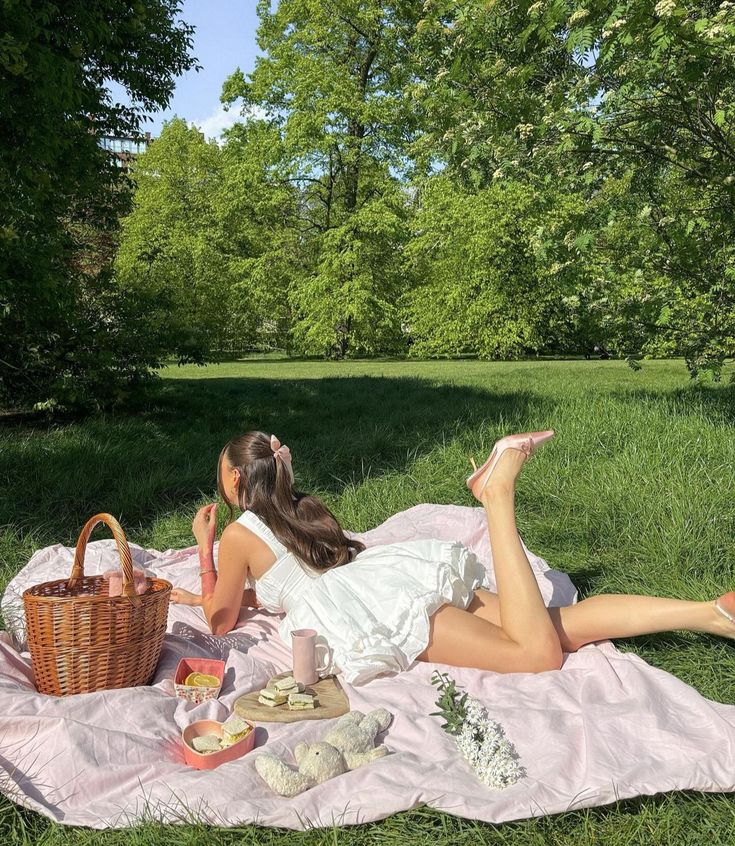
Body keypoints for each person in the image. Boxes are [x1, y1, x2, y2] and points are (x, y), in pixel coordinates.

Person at [170, 430, 735, 686]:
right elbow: (262, 590)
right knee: (553, 628)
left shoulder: (239, 534)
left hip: (369, 604)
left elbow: (223, 620)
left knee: (536, 656)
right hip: (387, 575)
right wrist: (209, 591)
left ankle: (497, 495)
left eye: (221, 472)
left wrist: (204, 549)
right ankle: (712, 613)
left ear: (237, 478)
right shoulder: (300, 508)